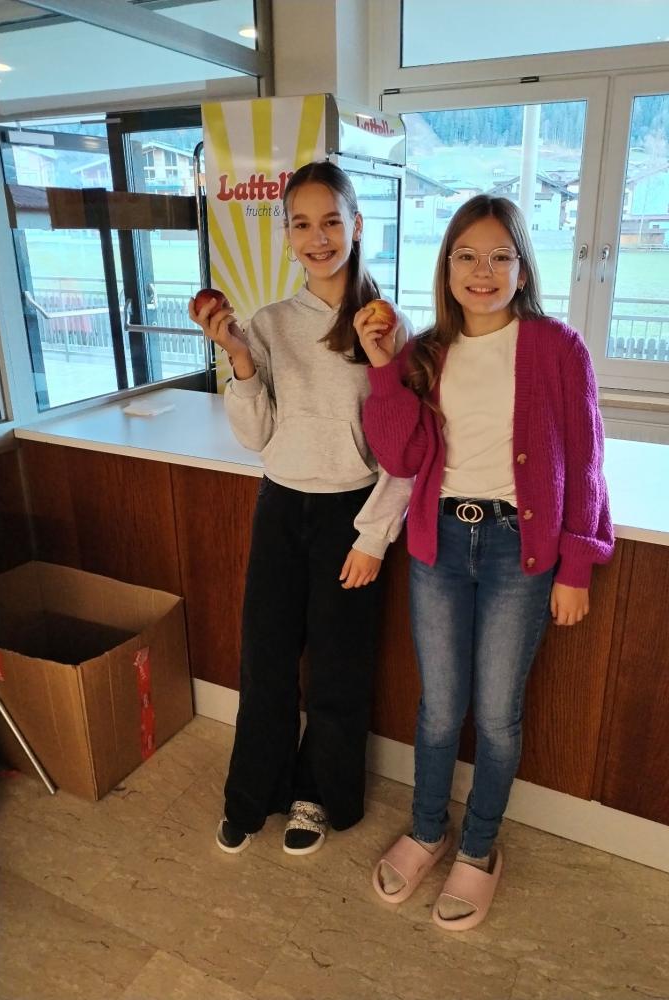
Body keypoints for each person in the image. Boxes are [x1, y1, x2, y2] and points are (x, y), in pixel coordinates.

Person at [355, 195, 614, 930]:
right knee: (439, 708)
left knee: (497, 715)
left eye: (501, 256)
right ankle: (427, 831)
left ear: (523, 270)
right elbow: (402, 456)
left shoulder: (559, 348)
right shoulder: (425, 352)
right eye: (467, 255)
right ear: (446, 268)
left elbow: (586, 460)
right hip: (438, 544)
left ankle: (478, 847)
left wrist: (576, 564)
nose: (483, 270)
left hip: (517, 553)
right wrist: (384, 369)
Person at [189, 160, 411, 858]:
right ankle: (251, 793)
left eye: (332, 221)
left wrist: (374, 537)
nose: (318, 238)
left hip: (352, 512)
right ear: (286, 235)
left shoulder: (386, 326)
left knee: (340, 669)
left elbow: (406, 448)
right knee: (266, 661)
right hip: (281, 507)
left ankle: (320, 794)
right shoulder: (269, 324)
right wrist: (238, 357)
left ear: (357, 226)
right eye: (302, 224)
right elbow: (256, 435)